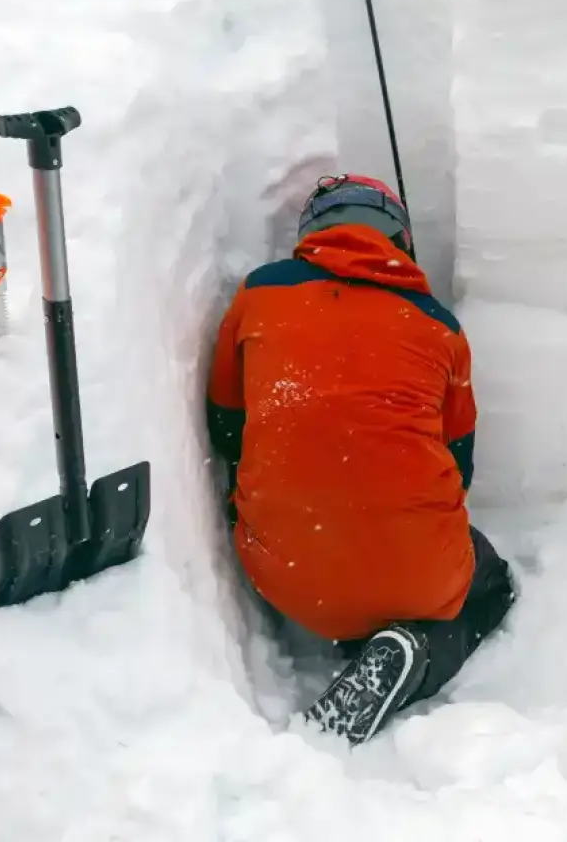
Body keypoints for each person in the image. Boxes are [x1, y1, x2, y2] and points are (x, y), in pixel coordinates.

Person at [205, 174, 515, 742]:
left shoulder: (259, 293)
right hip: (416, 571)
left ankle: (365, 626)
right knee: (491, 583)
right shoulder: (439, 328)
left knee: (350, 560)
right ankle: (412, 653)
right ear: (399, 242)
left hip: (285, 570)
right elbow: (459, 463)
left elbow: (226, 425)